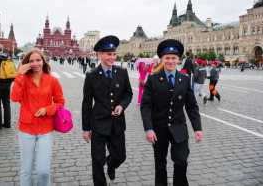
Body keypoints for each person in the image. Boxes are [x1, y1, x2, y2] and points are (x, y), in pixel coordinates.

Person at [140, 39, 203, 186]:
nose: (170, 61)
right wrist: (148, 128)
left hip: (179, 127)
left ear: (178, 60)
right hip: (158, 129)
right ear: (162, 59)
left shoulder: (185, 79)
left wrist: (197, 128)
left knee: (181, 161)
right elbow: (146, 106)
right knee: (160, 164)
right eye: (167, 58)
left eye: (173, 58)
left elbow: (192, 106)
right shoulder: (153, 79)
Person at [82, 35, 133, 186]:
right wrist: (86, 128)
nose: (111, 57)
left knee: (120, 156)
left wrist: (122, 106)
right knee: (97, 160)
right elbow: (86, 103)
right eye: (108, 54)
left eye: (113, 54)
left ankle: (111, 164)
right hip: (98, 123)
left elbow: (128, 93)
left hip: (117, 123)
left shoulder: (122, 72)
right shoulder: (91, 76)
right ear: (99, 54)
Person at [10, 49, 65, 186]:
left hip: (45, 130)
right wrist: (20, 75)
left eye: (38, 60)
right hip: (26, 129)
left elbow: (60, 102)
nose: (35, 63)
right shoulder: (23, 79)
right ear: (27, 63)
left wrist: (47, 109)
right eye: (31, 61)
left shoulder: (52, 80)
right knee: (26, 170)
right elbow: (14, 98)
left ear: (43, 61)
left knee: (43, 171)